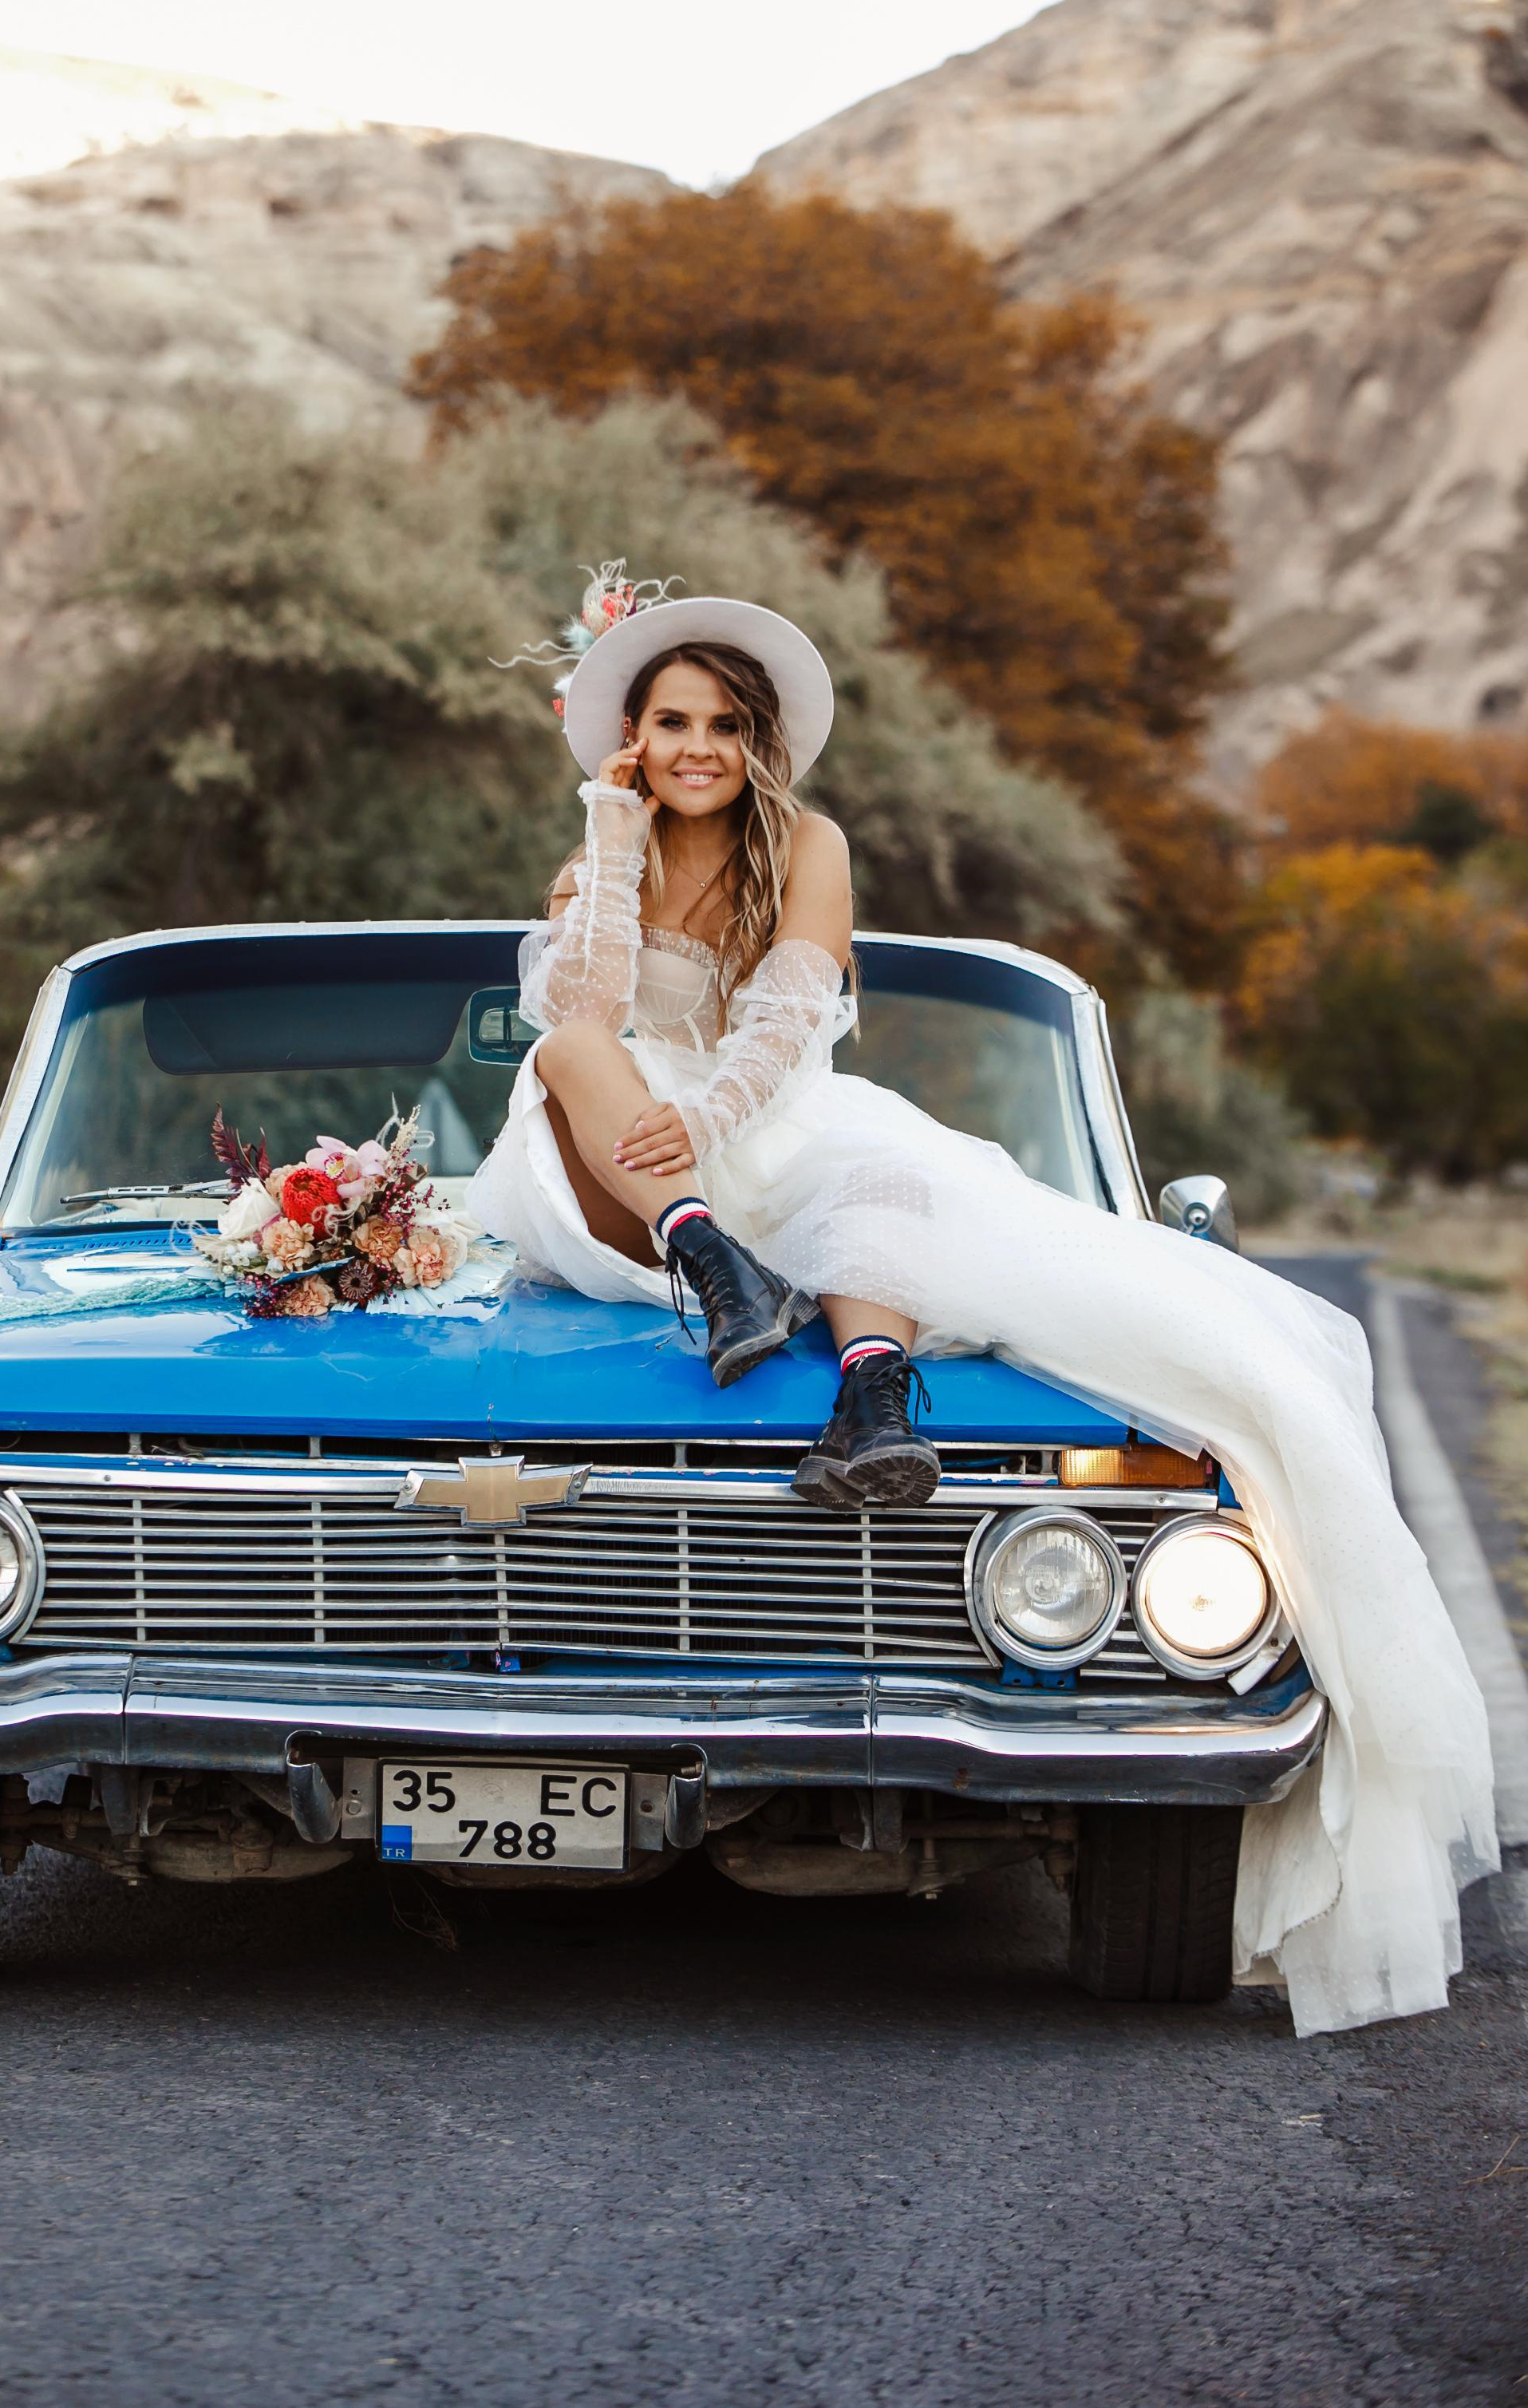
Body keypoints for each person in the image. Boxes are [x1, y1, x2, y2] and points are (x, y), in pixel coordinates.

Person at [469, 567, 1497, 2038]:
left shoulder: (808, 846)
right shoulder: (599, 856)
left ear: (758, 739)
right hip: (621, 1173)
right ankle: (714, 1265)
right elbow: (584, 999)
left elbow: (785, 1012)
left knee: (882, 1178)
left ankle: (868, 1394)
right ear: (632, 737)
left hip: (758, 1123)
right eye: (668, 723)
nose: (695, 745)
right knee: (567, 1044)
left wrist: (714, 1121)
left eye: (719, 724)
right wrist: (611, 831)